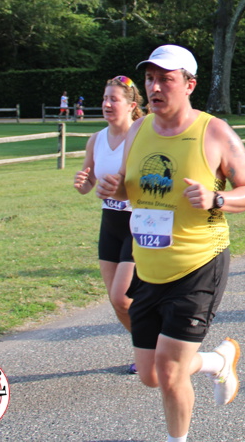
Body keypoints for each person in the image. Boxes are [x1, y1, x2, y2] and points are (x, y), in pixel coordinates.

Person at [96, 44, 245, 442]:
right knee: (151, 375)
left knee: (170, 372)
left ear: (189, 85)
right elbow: (129, 184)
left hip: (198, 264)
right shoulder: (138, 130)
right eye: (150, 79)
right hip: (148, 264)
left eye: (165, 80)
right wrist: (112, 186)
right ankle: (217, 361)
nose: (155, 87)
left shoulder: (214, 132)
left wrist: (216, 198)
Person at [74, 76, 145, 373]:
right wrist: (82, 183)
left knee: (122, 296)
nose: (106, 104)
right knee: (117, 303)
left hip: (137, 222)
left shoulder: (141, 137)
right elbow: (88, 183)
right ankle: (148, 348)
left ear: (131, 105)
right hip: (110, 223)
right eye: (104, 98)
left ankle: (152, 348)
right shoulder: (96, 139)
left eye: (113, 99)